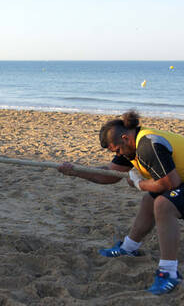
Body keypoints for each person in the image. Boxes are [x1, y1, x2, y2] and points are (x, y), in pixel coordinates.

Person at [58, 110, 184, 295]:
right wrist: (75, 171)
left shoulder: (148, 145)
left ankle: (169, 273)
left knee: (163, 205)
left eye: (116, 150)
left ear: (124, 138)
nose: (117, 154)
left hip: (178, 182)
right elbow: (109, 175)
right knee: (150, 200)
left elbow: (171, 183)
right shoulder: (129, 146)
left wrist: (139, 184)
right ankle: (129, 248)